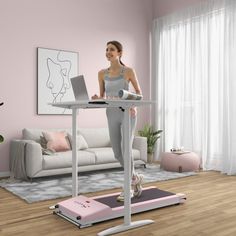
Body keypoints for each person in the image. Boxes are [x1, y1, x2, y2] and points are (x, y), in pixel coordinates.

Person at [92, 40, 144, 201]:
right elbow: (102, 96)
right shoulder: (102, 73)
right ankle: (135, 177)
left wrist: (133, 104)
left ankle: (127, 187)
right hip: (111, 113)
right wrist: (96, 98)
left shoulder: (128, 71)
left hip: (127, 113)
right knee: (117, 152)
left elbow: (138, 93)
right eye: (106, 49)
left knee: (125, 148)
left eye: (112, 49)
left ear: (120, 53)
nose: (108, 52)